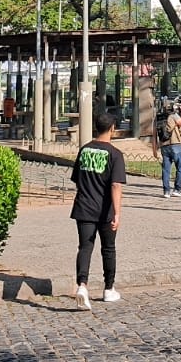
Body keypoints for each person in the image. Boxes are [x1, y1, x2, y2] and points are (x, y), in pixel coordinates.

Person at [71, 109, 125, 308]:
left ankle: (82, 285)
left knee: (85, 248)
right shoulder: (115, 154)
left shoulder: (84, 150)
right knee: (108, 249)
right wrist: (117, 212)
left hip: (84, 206)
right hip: (105, 210)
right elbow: (116, 185)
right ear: (112, 129)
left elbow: (77, 179)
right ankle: (109, 288)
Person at [153, 94, 181, 197]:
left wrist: (154, 150)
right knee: (180, 167)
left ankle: (166, 191)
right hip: (176, 145)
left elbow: (154, 135)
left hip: (164, 146)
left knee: (166, 169)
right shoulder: (173, 116)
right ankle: (177, 189)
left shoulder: (158, 118)